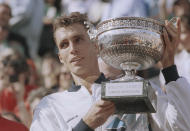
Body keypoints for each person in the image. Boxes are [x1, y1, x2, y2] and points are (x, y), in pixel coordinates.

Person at [30, 12, 190, 131]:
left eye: (78, 39)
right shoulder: (51, 106)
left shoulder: (135, 85)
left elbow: (182, 126)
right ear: (60, 57)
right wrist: (86, 125)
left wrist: (169, 67)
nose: (73, 49)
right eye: (64, 44)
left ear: (96, 46)